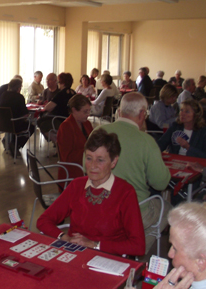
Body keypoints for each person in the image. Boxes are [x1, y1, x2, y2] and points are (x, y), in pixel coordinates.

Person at [37, 129, 146, 257]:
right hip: (74, 255)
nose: (93, 166)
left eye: (100, 160)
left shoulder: (125, 192)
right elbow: (43, 220)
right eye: (89, 158)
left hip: (107, 259)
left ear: (114, 161)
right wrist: (63, 237)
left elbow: (138, 246)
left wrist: (95, 244)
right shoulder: (77, 186)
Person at [99, 92, 171, 253]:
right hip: (135, 209)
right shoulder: (146, 141)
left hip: (99, 204)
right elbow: (160, 183)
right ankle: (135, 248)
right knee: (167, 209)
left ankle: (123, 246)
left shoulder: (98, 132)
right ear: (142, 114)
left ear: (119, 111)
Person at [56, 94, 93, 181]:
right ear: (74, 110)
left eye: (89, 111)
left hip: (85, 167)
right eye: (85, 111)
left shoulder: (87, 124)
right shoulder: (65, 127)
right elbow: (67, 157)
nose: (88, 114)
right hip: (72, 173)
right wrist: (90, 152)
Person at [0, 78, 34, 156]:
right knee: (31, 127)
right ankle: (16, 144)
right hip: (15, 125)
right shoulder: (19, 97)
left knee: (19, 123)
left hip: (3, 124)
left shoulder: (3, 95)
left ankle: (9, 141)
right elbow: (25, 114)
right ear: (19, 88)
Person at [38, 72, 76, 142]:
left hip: (60, 120)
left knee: (40, 122)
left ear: (62, 83)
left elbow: (48, 107)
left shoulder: (61, 94)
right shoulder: (73, 93)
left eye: (59, 82)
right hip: (72, 120)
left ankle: (57, 142)